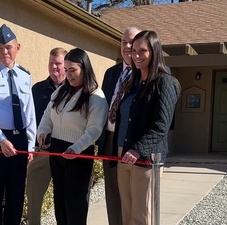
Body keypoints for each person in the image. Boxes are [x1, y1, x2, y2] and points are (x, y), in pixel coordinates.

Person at [112, 30, 181, 225]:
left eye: (143, 50)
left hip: (146, 158)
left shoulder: (165, 82)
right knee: (126, 212)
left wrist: (138, 149)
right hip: (123, 154)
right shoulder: (132, 83)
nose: (137, 55)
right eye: (134, 51)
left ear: (154, 52)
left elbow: (161, 125)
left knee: (142, 215)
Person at [37, 48, 108, 225]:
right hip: (57, 151)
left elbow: (94, 130)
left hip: (79, 154)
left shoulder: (96, 97)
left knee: (74, 205)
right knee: (60, 203)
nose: (68, 75)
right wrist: (43, 131)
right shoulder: (62, 90)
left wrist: (76, 148)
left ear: (84, 68)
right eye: (66, 70)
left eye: (72, 70)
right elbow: (48, 113)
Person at [0, 24, 36, 225]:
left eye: (8, 47)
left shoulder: (25, 75)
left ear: (18, 48)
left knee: (16, 193)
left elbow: (30, 112)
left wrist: (30, 144)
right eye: (0, 47)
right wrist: (0, 139)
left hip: (19, 140)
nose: (4, 52)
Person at [97, 26, 141, 225]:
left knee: (131, 194)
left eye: (132, 42)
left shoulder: (144, 74)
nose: (127, 47)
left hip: (130, 141)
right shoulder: (111, 73)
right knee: (112, 193)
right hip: (110, 138)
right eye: (124, 42)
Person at [26, 47, 67, 225]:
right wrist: (32, 146)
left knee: (64, 200)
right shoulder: (37, 90)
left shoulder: (74, 90)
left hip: (65, 154)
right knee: (34, 197)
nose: (54, 67)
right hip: (41, 152)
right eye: (51, 63)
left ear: (66, 65)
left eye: (58, 63)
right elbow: (30, 119)